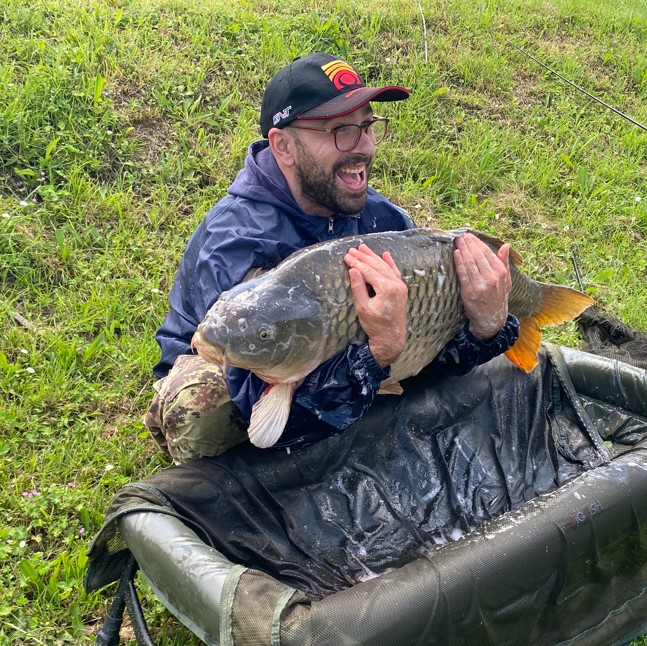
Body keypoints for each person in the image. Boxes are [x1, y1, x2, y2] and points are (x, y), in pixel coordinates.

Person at [145, 52, 519, 462]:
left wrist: (485, 329)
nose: (363, 146)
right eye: (340, 130)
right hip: (236, 376)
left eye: (367, 126)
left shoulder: (383, 220)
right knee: (203, 406)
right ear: (284, 146)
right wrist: (378, 352)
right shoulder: (236, 242)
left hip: (329, 357)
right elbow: (257, 403)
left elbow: (430, 356)